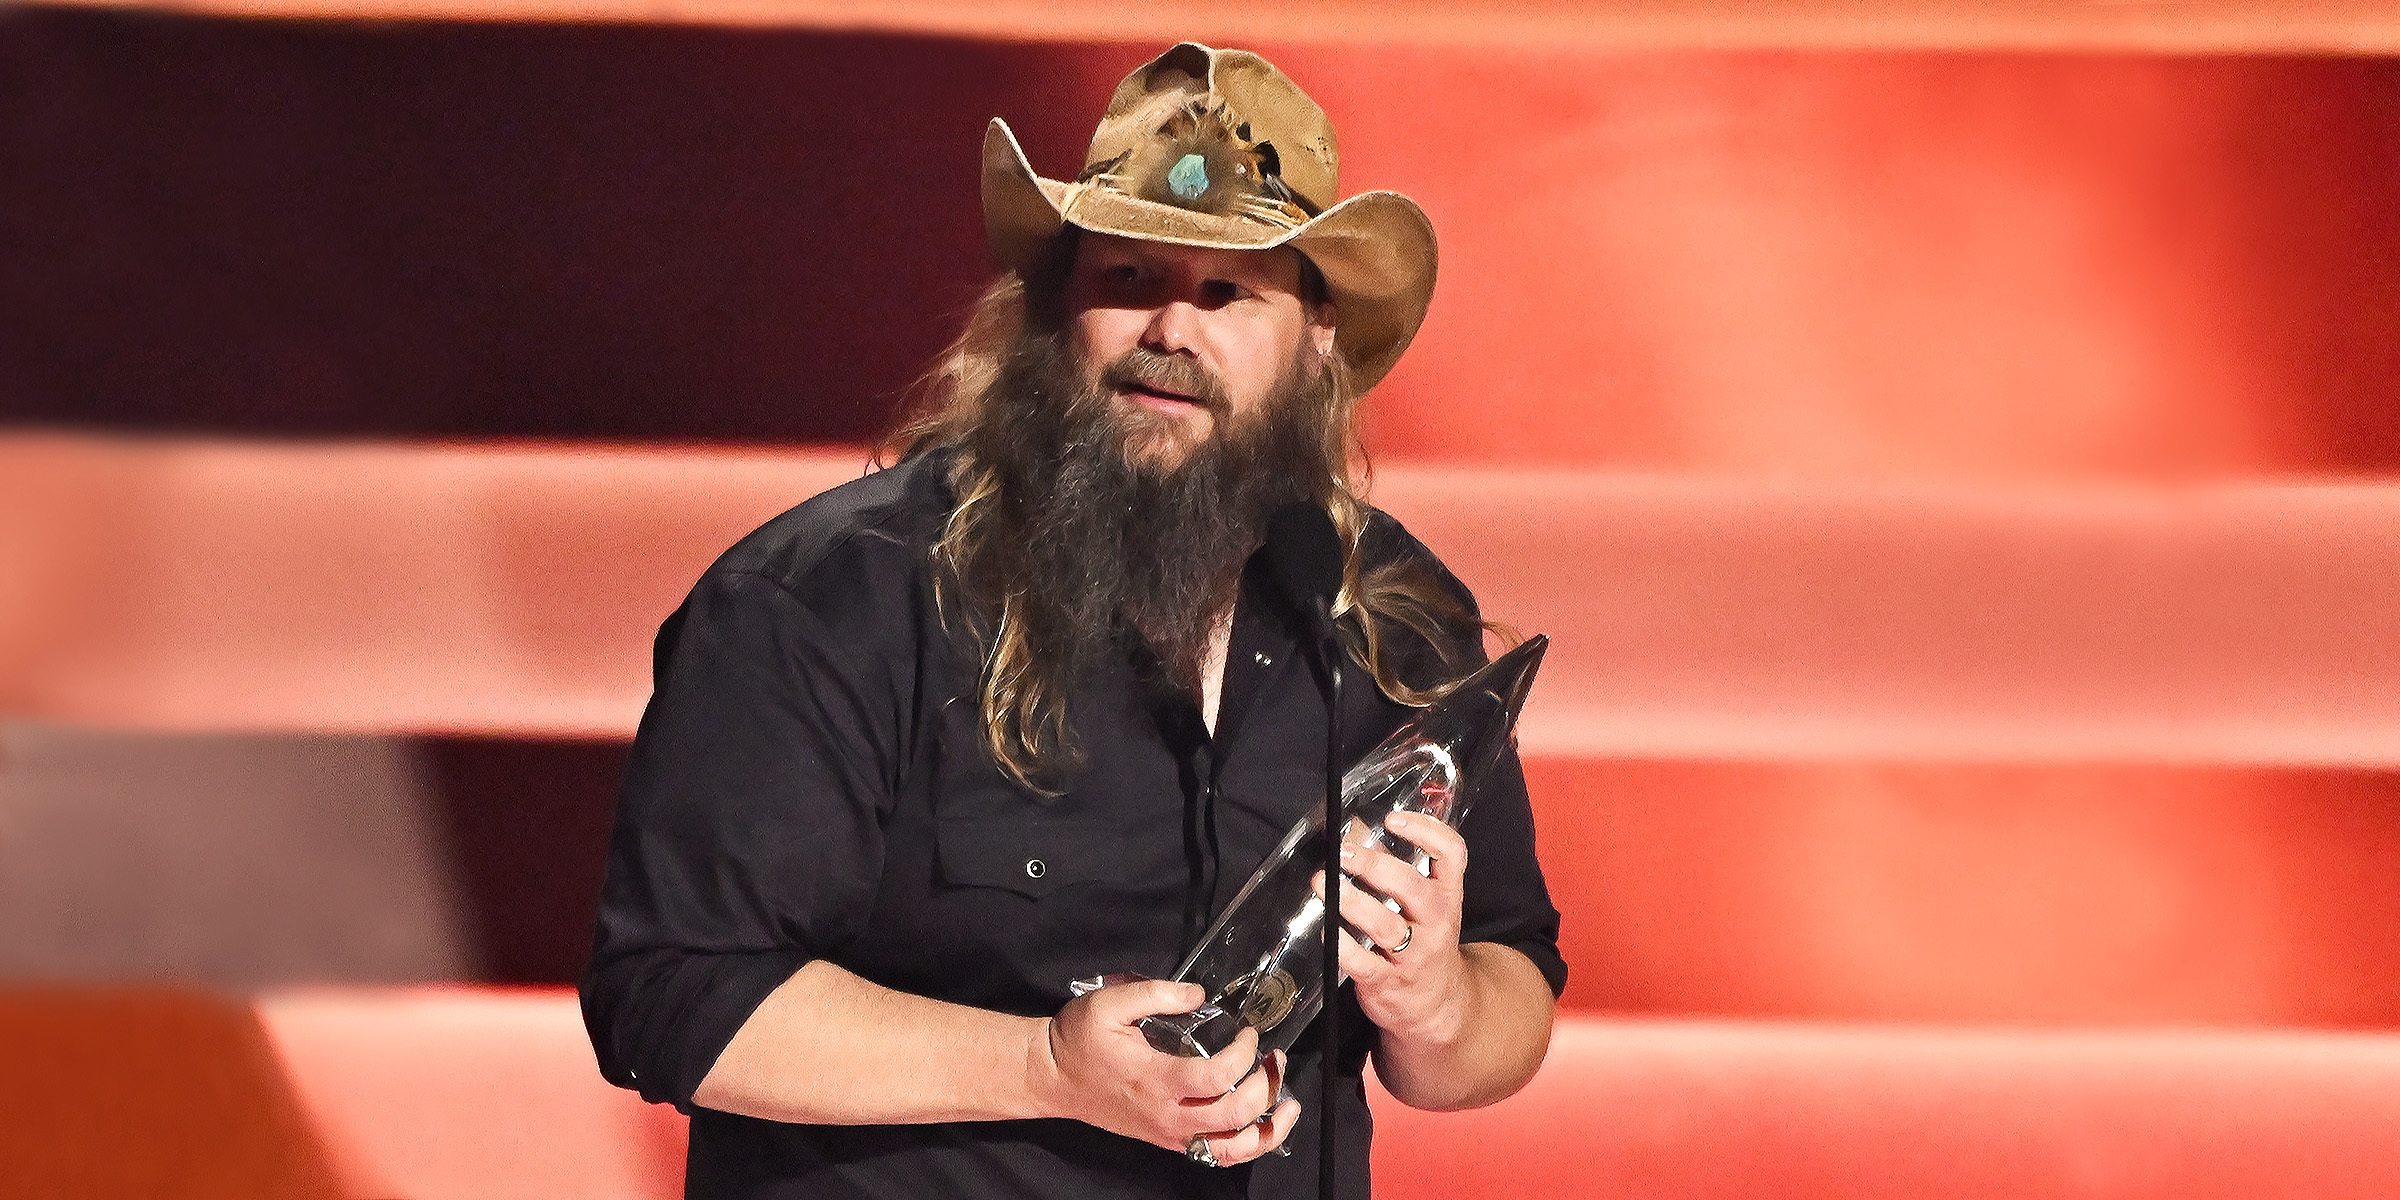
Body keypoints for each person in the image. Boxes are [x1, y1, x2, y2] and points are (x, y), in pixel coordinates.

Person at [581, 43, 1565, 1199]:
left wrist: (1436, 1003)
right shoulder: (833, 598)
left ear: (1318, 341)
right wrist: (1044, 1067)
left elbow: (1511, 993)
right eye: (1131, 279)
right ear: (1052, 310)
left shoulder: (1386, 610)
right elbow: (671, 995)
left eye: (1226, 294)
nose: (1171, 333)